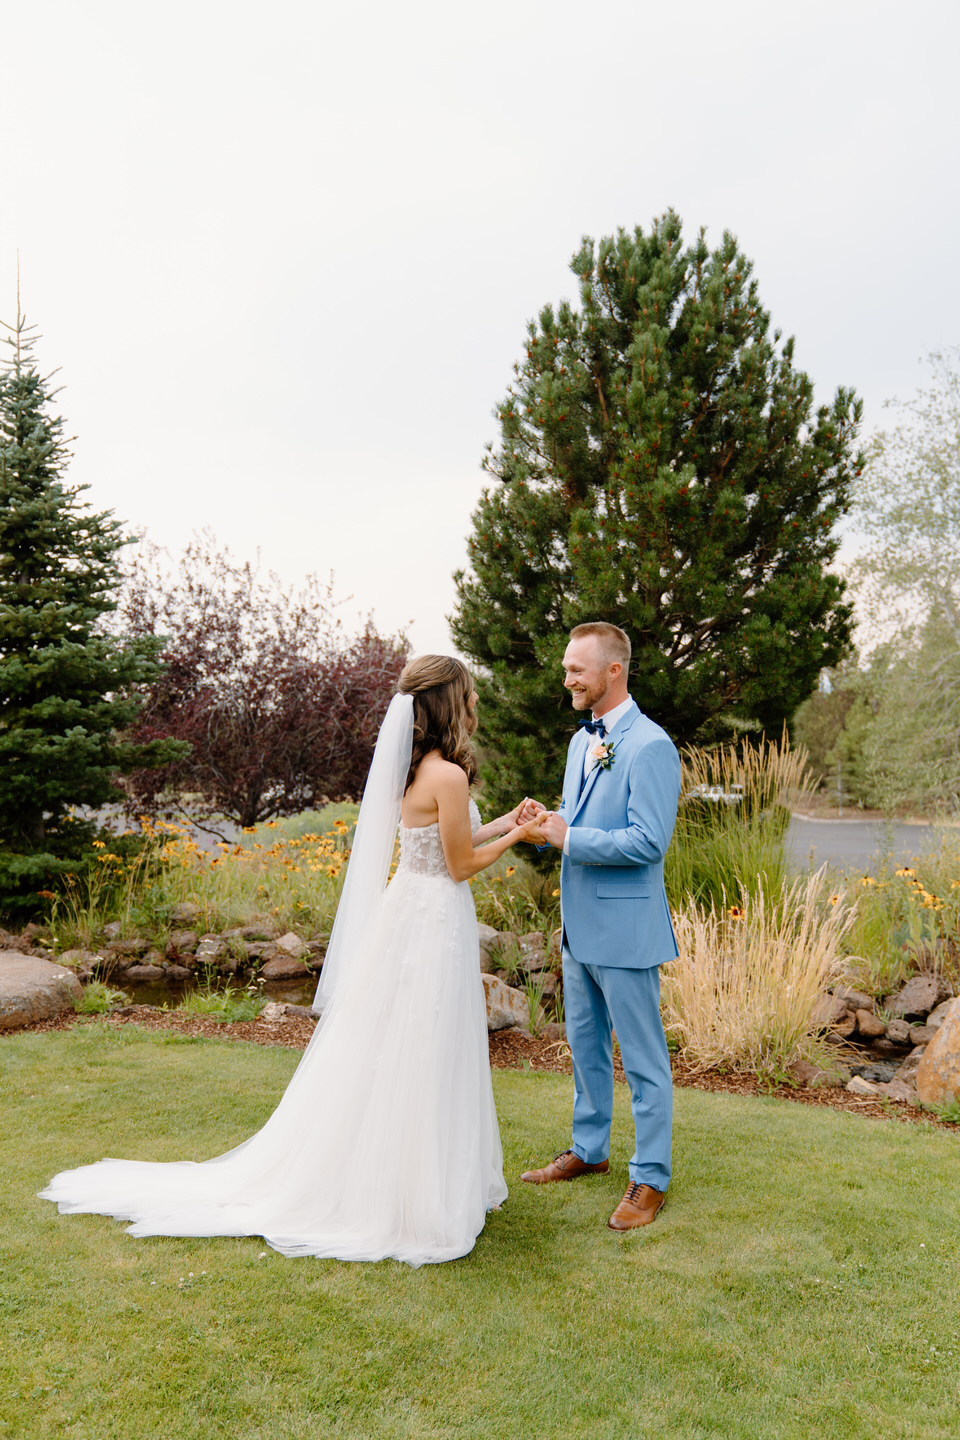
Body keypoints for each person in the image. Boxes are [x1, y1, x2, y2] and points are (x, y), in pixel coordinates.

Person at [39, 655, 545, 1267]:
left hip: (409, 911)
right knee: (429, 1045)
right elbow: (460, 864)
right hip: (434, 920)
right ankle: (416, 1196)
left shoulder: (419, 773)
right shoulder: (451, 776)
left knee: (402, 1046)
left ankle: (402, 1181)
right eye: (468, 695)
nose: (473, 705)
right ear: (449, 703)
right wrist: (520, 836)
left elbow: (446, 838)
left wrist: (505, 821)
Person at [519, 623, 681, 1230]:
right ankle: (589, 1151)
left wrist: (570, 835)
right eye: (567, 668)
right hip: (578, 928)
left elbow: (647, 842)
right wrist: (547, 825)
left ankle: (650, 1178)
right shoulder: (579, 743)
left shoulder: (651, 746)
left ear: (614, 670)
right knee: (585, 1050)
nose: (568, 680)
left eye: (577, 670)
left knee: (642, 1061)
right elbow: (579, 828)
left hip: (627, 931)